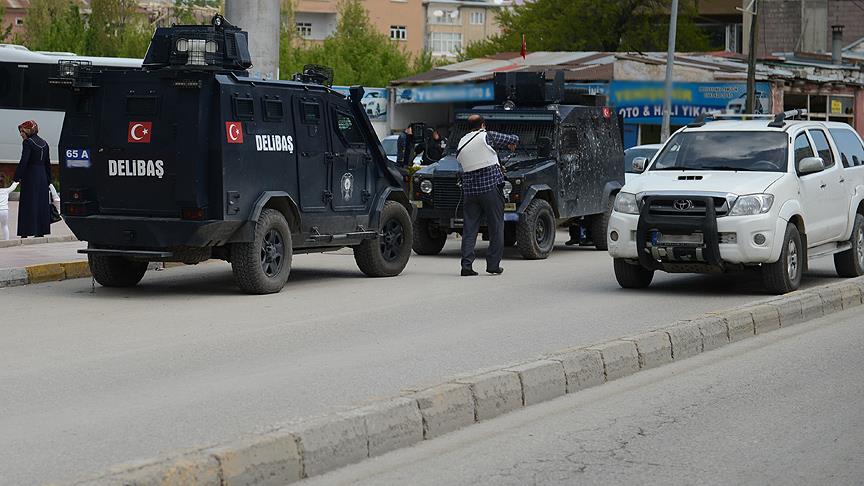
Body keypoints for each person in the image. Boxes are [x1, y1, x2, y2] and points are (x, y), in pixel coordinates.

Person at [455, 114, 518, 276]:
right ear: (483, 125)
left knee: (469, 229)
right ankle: (493, 265)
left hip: (470, 192)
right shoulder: (487, 136)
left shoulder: (462, 141)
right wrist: (512, 143)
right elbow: (513, 138)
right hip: (490, 189)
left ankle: (466, 266)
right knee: (496, 227)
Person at [13, 120, 52, 238]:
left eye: (22, 131)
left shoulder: (28, 142)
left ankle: (25, 232)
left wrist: (17, 177)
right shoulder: (45, 143)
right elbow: (47, 163)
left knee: (28, 203)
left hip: (30, 176)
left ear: (28, 131)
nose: (21, 134)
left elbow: (24, 160)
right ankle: (40, 231)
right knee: (41, 203)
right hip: (42, 176)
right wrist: (48, 180)